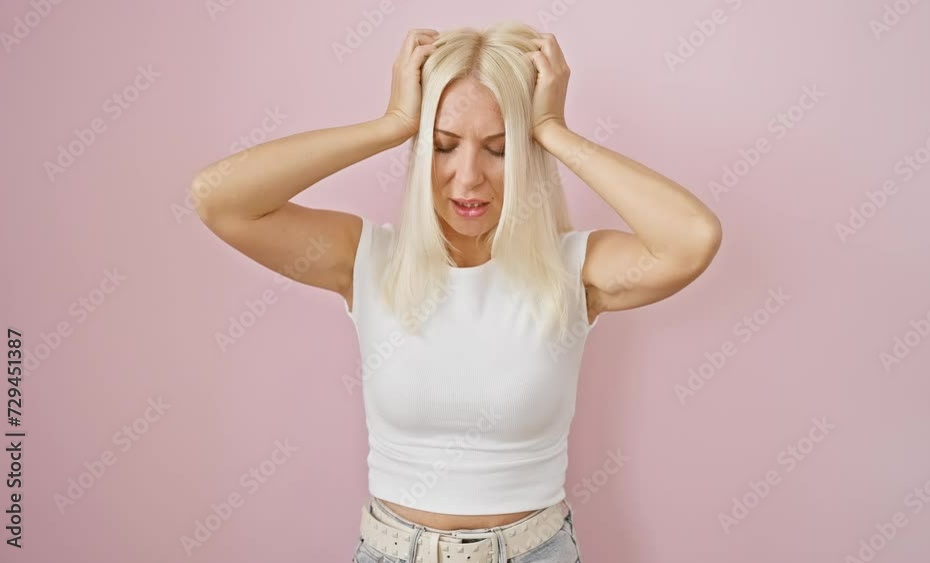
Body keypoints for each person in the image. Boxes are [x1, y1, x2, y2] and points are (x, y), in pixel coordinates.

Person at [191, 21, 721, 563]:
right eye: (443, 146)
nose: (468, 178)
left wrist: (552, 130)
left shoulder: (575, 269)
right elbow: (217, 197)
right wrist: (392, 123)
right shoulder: (368, 260)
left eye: (499, 148)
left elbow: (692, 239)